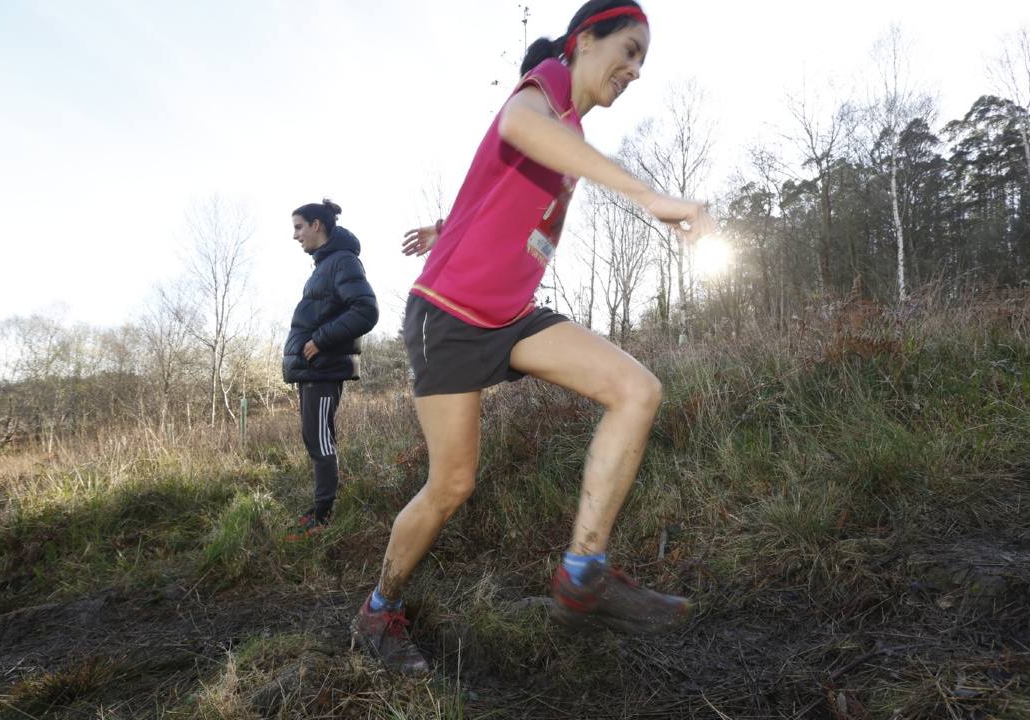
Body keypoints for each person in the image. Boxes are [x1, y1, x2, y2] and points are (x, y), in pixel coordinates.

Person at [351, 0, 717, 674]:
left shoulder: (569, 132)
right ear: (585, 40)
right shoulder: (545, 80)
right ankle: (379, 609)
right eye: (629, 50)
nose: (634, 69)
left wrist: (444, 224)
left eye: (643, 60)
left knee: (637, 390)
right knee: (452, 484)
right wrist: (647, 195)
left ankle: (583, 578)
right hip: (450, 317)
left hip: (514, 315)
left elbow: (501, 188)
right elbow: (518, 126)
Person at [282, 199, 378, 537]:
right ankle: (320, 508)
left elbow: (366, 310)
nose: (295, 236)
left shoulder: (342, 261)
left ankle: (323, 516)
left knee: (321, 441)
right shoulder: (324, 265)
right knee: (314, 438)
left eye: (298, 227)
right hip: (313, 370)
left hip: (324, 368)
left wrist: (321, 340)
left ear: (317, 225)